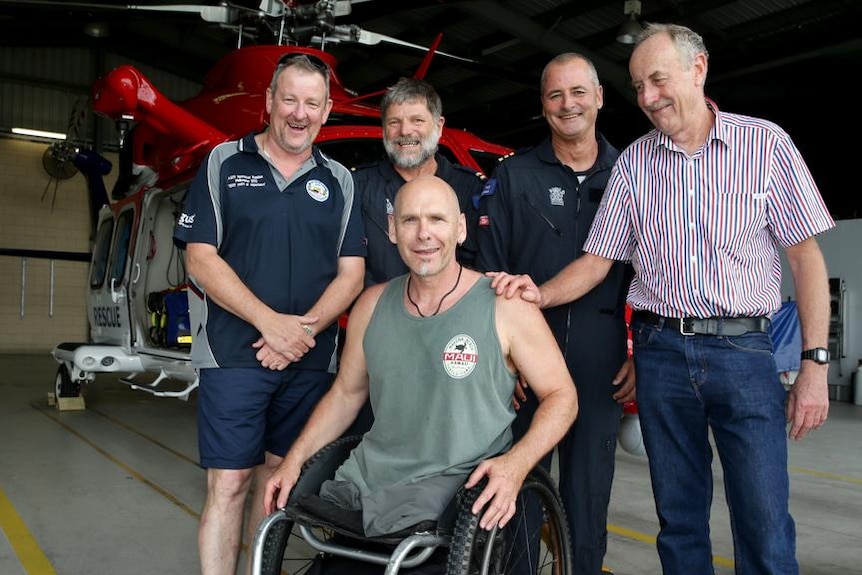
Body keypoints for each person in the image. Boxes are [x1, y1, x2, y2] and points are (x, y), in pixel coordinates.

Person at [490, 24, 834, 574]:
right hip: (661, 354)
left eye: (657, 80)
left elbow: (806, 260)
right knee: (678, 520)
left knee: (764, 519)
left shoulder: (766, 145)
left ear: (698, 70)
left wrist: (815, 364)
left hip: (744, 353)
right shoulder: (634, 163)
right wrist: (540, 293)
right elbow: (599, 259)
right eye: (638, 85)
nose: (647, 97)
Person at [263, 175, 578, 546]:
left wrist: (517, 464)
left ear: (460, 229)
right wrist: (293, 460)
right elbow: (346, 394)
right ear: (392, 230)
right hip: (366, 482)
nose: (423, 234)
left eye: (437, 220)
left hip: (451, 493)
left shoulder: (505, 305)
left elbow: (562, 396)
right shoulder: (371, 305)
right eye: (410, 220)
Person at [173, 53, 366, 575]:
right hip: (235, 354)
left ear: (326, 112)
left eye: (312, 102)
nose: (298, 113)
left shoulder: (340, 181)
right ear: (268, 103)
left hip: (308, 358)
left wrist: (301, 331)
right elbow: (200, 256)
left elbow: (352, 273)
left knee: (279, 483)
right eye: (289, 99)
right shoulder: (223, 162)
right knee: (230, 483)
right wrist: (270, 323)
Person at [474, 53, 634, 575]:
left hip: (602, 363)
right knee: (514, 488)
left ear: (600, 97)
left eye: (578, 92)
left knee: (588, 498)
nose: (568, 104)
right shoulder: (514, 176)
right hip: (524, 364)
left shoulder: (635, 174)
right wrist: (501, 362)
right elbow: (487, 276)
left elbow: (660, 274)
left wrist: (640, 353)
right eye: (555, 95)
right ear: (543, 106)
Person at [353, 77, 487, 285]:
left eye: (417, 120)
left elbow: (485, 266)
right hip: (376, 313)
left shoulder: (471, 189)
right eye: (394, 122)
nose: (405, 131)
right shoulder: (357, 188)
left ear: (439, 126)